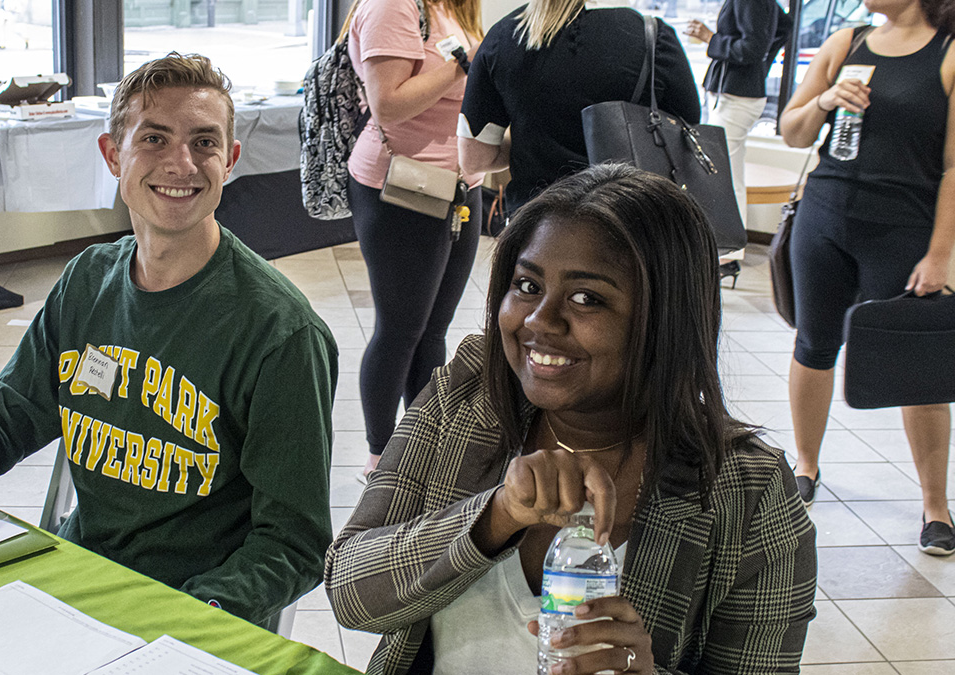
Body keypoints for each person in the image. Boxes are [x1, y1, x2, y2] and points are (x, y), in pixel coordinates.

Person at [0, 54, 341, 629]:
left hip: (188, 613)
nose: (182, 163)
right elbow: (11, 411)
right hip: (75, 577)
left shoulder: (280, 333)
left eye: (203, 143)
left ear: (228, 161)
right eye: (154, 139)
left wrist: (200, 615)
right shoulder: (87, 281)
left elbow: (293, 542)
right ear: (113, 155)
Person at [325, 164, 817, 675]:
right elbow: (350, 591)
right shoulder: (467, 394)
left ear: (667, 319)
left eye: (588, 298)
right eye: (527, 285)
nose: (539, 321)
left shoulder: (746, 492)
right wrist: (495, 516)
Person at [779, 0, 955, 554]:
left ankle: (935, 505)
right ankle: (805, 466)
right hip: (824, 217)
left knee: (916, 369)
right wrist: (827, 99)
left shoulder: (947, 54)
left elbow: (954, 167)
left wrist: (941, 254)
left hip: (903, 228)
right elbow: (792, 131)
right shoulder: (846, 42)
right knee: (813, 344)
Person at [343, 0, 485, 482]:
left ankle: (421, 447)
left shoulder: (454, 7)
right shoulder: (393, 5)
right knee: (400, 329)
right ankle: (381, 458)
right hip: (401, 187)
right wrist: (465, 63)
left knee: (433, 330)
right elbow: (388, 103)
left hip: (459, 185)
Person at [458, 0, 699, 217]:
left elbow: (474, 158)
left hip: (535, 227)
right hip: (630, 222)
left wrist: (532, 141)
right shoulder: (652, 36)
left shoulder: (503, 37)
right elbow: (686, 129)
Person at [684, 0, 789, 226]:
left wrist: (710, 38)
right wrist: (761, 66)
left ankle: (725, 249)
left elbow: (752, 47)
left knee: (719, 177)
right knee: (730, 176)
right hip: (738, 92)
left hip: (736, 95)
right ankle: (731, 248)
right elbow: (784, 27)